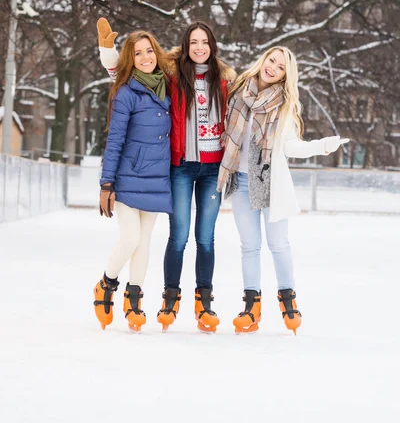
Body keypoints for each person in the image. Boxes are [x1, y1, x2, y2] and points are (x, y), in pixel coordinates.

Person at [97, 19, 235, 333]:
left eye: (205, 42)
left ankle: (183, 303)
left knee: (183, 239)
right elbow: (125, 74)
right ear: (184, 48)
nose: (199, 48)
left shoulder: (201, 80)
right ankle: (134, 291)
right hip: (157, 171)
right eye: (193, 42)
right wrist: (107, 51)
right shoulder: (151, 83)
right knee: (161, 236)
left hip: (184, 173)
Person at [217, 46, 349, 335]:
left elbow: (291, 146)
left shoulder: (283, 105)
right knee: (249, 246)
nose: (273, 67)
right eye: (271, 60)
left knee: (278, 244)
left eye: (280, 67)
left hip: (269, 183)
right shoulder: (238, 90)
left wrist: (322, 145)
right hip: (240, 182)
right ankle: (251, 307)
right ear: (263, 60)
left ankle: (288, 301)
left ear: (285, 76)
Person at [94, 28, 172, 333]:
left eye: (149, 50)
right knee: (130, 238)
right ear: (130, 58)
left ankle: (134, 300)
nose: (145, 57)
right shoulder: (126, 91)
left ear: (157, 52)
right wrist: (106, 184)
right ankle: (106, 285)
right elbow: (115, 139)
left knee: (145, 242)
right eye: (137, 53)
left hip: (156, 177)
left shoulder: (168, 86)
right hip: (128, 177)